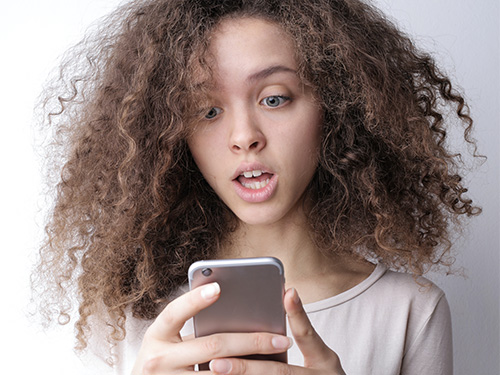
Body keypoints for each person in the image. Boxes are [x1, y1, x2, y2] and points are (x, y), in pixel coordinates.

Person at [32, 0, 481, 374]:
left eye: (274, 98)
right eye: (207, 110)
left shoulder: (409, 311)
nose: (243, 135)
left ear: (339, 107)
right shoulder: (135, 317)